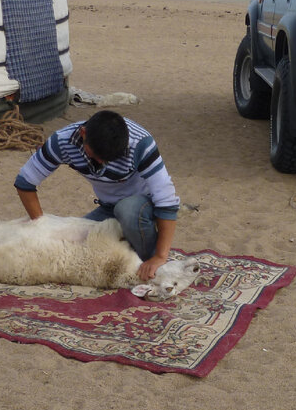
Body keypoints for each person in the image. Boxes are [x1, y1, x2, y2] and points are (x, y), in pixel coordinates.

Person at [14, 110, 180, 281]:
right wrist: (40, 223)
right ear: (83, 134)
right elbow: (25, 181)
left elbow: (167, 202)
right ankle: (130, 242)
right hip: (108, 208)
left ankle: (149, 260)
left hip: (141, 207)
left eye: (110, 158)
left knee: (127, 209)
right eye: (97, 156)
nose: (102, 162)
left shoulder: (140, 143)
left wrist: (160, 256)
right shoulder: (62, 141)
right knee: (74, 244)